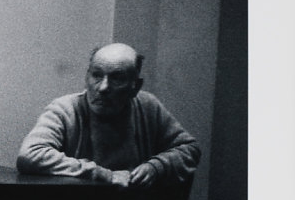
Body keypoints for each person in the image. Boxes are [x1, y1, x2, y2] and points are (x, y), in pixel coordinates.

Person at [16, 43, 200, 188]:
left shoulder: (148, 106)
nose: (103, 88)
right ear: (86, 77)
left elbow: (189, 148)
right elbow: (31, 154)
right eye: (97, 75)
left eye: (117, 78)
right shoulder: (65, 109)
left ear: (135, 86)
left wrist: (157, 167)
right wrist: (103, 175)